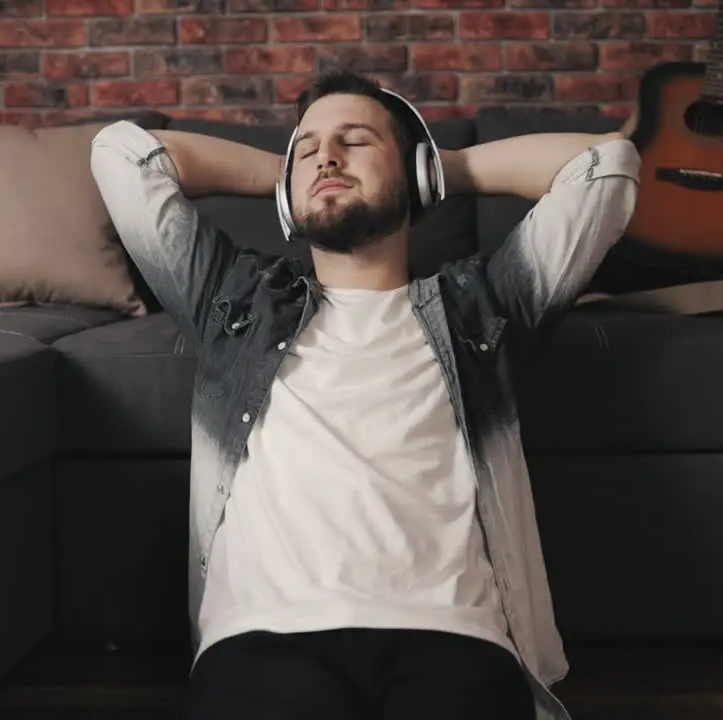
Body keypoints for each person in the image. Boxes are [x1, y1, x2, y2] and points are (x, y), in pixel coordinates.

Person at [89, 70, 640, 720]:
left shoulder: (485, 308)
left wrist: (442, 169)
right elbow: (121, 153)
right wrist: (292, 177)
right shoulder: (232, 301)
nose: (326, 155)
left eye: (355, 141)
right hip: (266, 637)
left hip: (453, 636)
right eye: (309, 147)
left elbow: (607, 165)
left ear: (414, 173)